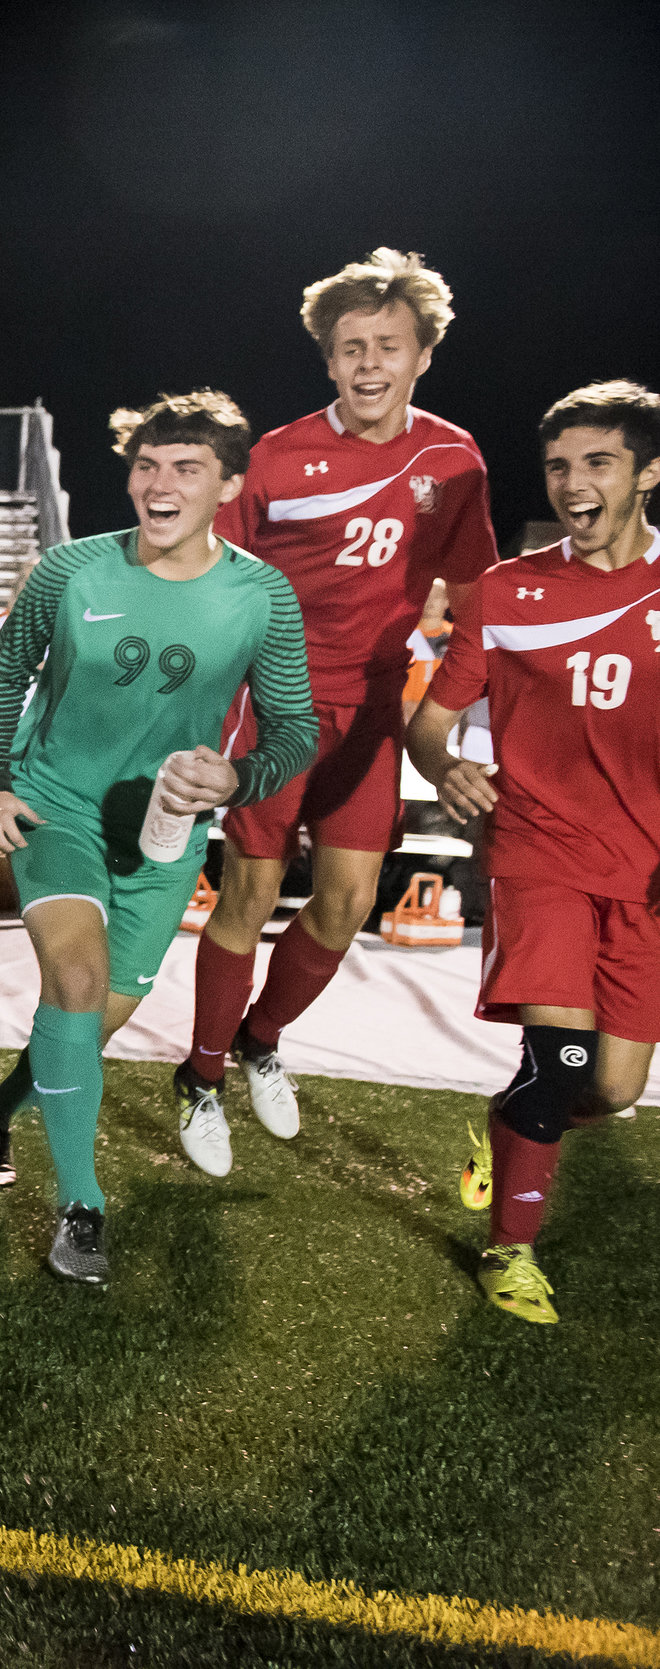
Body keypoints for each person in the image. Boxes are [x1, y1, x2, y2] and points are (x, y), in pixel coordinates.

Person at [0, 393, 316, 1279]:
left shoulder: (261, 595)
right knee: (74, 982)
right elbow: (4, 672)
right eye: (146, 466)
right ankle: (83, 1208)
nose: (159, 485)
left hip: (165, 840)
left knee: (86, 1024)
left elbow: (297, 729)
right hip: (58, 810)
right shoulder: (69, 570)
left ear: (227, 485)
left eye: (186, 469)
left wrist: (241, 780)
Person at [181, 250, 497, 1148]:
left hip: (374, 710)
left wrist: (442, 726)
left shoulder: (455, 459)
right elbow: (209, 588)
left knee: (350, 901)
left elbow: (474, 603)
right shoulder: (275, 458)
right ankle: (201, 1077)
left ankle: (259, 1040)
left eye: (387, 346)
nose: (368, 364)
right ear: (327, 358)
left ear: (422, 354)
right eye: (351, 346)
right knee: (248, 891)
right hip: (274, 705)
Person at [407, 381, 660, 1326]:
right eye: (559, 465)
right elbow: (431, 725)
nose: (572, 482)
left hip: (645, 873)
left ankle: (512, 1120)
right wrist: (446, 771)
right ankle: (510, 1249)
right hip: (538, 852)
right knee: (558, 1059)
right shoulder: (509, 591)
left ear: (648, 473)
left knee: (614, 1087)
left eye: (598, 462)